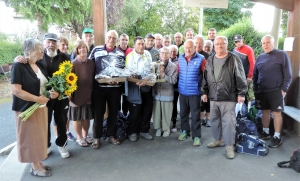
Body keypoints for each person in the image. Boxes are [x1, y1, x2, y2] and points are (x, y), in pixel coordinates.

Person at [14, 33, 71, 158]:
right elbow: (27, 62)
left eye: (54, 42)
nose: (51, 44)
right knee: (45, 122)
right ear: (44, 43)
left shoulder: (65, 57)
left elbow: (69, 79)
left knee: (61, 121)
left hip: (61, 97)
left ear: (57, 43)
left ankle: (62, 145)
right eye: (48, 42)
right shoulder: (39, 57)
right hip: (45, 98)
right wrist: (17, 58)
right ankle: (46, 145)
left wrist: (61, 93)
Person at [11, 38, 58, 177]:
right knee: (30, 138)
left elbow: (45, 85)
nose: (42, 50)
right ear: (29, 51)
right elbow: (16, 90)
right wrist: (37, 99)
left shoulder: (40, 65)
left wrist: (52, 93)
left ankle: (38, 162)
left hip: (41, 107)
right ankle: (35, 167)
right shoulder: (19, 66)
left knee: (39, 137)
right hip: (27, 108)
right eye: (38, 48)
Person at [202, 36, 247, 159]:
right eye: (217, 44)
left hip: (229, 97)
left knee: (229, 123)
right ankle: (218, 140)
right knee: (214, 120)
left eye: (222, 43)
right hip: (213, 96)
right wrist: (204, 92)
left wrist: (241, 93)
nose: (220, 46)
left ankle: (229, 146)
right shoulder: (210, 59)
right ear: (214, 46)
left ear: (227, 44)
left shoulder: (233, 58)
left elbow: (240, 76)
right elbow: (206, 77)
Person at [253, 34, 292, 148]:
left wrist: (284, 89)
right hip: (262, 91)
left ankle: (277, 136)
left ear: (273, 43)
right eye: (264, 43)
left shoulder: (281, 55)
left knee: (276, 113)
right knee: (265, 112)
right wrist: (255, 89)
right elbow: (255, 75)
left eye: (268, 42)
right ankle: (265, 132)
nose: (266, 45)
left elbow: (288, 74)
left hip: (276, 91)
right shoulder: (260, 57)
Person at [89, 30, 125, 148]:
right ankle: (97, 137)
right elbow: (89, 66)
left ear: (117, 40)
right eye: (109, 37)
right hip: (99, 88)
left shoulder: (120, 53)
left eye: (114, 38)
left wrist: (118, 80)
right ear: (106, 38)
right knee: (98, 113)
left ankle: (111, 135)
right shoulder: (96, 50)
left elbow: (123, 71)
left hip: (115, 88)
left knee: (114, 113)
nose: (111, 40)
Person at [125, 36, 154, 141]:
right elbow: (128, 74)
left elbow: (151, 69)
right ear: (134, 45)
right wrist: (138, 81)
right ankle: (133, 132)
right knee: (135, 111)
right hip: (134, 88)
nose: (141, 46)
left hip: (147, 87)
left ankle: (144, 131)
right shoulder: (129, 56)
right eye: (139, 44)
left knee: (147, 109)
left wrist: (147, 79)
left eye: (142, 44)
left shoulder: (148, 54)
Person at [177, 39, 205, 146]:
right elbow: (179, 72)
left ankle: (196, 136)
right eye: (186, 47)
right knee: (183, 114)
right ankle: (185, 131)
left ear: (194, 48)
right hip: (182, 92)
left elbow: (205, 76)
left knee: (195, 115)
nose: (188, 49)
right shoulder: (180, 58)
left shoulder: (201, 59)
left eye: (190, 47)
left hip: (195, 92)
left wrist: (203, 91)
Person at [68, 40, 94, 147]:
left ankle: (86, 135)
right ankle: (79, 137)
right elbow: (68, 81)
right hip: (76, 95)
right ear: (77, 50)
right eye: (80, 48)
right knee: (77, 117)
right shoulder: (73, 63)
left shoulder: (91, 62)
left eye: (84, 47)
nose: (82, 49)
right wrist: (70, 95)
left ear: (87, 49)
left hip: (88, 94)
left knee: (86, 117)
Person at [153, 46, 178, 137]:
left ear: (169, 54)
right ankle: (158, 128)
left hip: (167, 93)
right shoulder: (155, 64)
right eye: (162, 53)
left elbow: (174, 81)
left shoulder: (174, 66)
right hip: (157, 93)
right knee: (157, 113)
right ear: (159, 54)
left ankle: (166, 129)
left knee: (167, 113)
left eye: (166, 53)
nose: (164, 55)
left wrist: (164, 75)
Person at [57, 36, 76, 142]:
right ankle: (58, 136)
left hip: (66, 90)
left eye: (66, 45)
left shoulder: (68, 57)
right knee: (57, 117)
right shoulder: (54, 57)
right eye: (63, 45)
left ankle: (67, 132)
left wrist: (70, 91)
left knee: (66, 114)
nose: (65, 47)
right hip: (55, 90)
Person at [233, 34, 255, 106]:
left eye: (239, 41)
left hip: (244, 76)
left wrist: (250, 76)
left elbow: (252, 63)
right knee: (235, 93)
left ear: (242, 40)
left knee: (243, 94)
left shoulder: (248, 49)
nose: (238, 43)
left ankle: (243, 113)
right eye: (236, 42)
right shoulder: (235, 50)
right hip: (236, 76)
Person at [194, 35, 211, 127]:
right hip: (195, 83)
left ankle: (208, 119)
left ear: (203, 44)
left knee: (207, 101)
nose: (198, 45)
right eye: (196, 42)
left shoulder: (207, 56)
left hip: (206, 82)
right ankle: (200, 118)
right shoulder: (191, 54)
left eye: (200, 43)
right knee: (199, 102)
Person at [117, 33, 133, 117]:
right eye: (122, 39)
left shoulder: (131, 51)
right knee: (117, 97)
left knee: (126, 98)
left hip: (128, 79)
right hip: (118, 79)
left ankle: (125, 114)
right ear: (119, 40)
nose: (124, 41)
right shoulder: (115, 50)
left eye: (126, 40)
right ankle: (119, 115)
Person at [169, 45, 179, 132]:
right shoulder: (164, 60)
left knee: (174, 104)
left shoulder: (180, 61)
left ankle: (174, 123)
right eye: (171, 51)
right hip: (167, 87)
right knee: (168, 105)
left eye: (175, 51)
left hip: (176, 87)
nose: (173, 53)